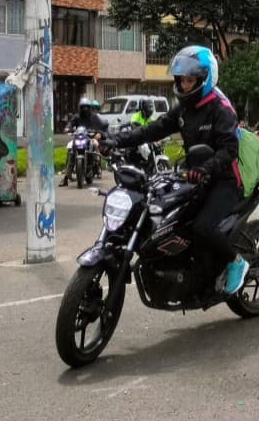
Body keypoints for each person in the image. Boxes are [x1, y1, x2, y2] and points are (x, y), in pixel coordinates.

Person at [106, 46, 247, 295]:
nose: (183, 85)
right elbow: (154, 129)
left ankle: (236, 261)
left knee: (201, 228)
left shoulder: (220, 109)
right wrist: (117, 140)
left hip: (224, 180)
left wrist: (205, 168)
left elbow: (229, 150)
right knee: (170, 221)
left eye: (189, 80)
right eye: (181, 80)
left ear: (204, 80)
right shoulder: (184, 107)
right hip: (194, 177)